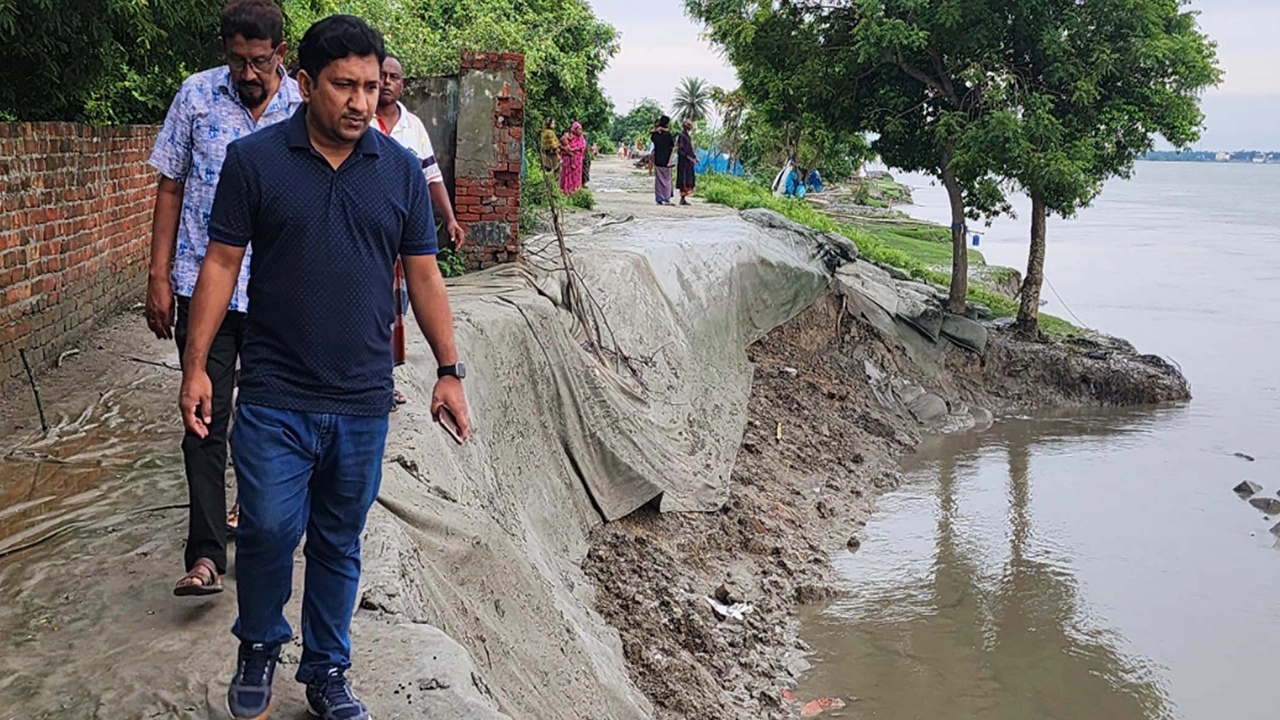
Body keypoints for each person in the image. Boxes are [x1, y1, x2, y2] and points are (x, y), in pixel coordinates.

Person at [180, 15, 470, 720]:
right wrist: (197, 368)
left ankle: (327, 670)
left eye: (372, 86)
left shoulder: (398, 171)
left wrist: (449, 370)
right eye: (345, 85)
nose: (362, 101)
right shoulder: (255, 162)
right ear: (306, 83)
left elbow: (425, 279)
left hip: (364, 398)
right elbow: (220, 264)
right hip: (275, 392)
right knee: (272, 530)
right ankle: (258, 644)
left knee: (340, 542)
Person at [146, 0, 301, 599]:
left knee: (272, 422)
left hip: (279, 293)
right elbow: (170, 185)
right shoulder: (196, 97)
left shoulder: (301, 108)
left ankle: (264, 532)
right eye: (237, 61)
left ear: (279, 55)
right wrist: (158, 277)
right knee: (203, 417)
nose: (248, 73)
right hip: (202, 287)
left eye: (259, 61)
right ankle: (206, 555)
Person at [374, 53, 466, 406]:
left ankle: (384, 377)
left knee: (397, 309)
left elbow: (432, 177)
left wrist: (451, 218)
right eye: (381, 75)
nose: (386, 82)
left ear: (402, 84)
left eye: (394, 77)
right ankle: (374, 379)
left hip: (403, 234)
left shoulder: (413, 127)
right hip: (368, 231)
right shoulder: (358, 121)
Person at [650, 115, 675, 205]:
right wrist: (670, 160)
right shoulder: (668, 135)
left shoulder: (655, 135)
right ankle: (667, 197)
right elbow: (672, 147)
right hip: (667, 160)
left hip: (658, 160)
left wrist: (657, 129)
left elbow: (652, 135)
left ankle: (659, 198)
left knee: (659, 180)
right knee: (667, 180)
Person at [559, 121, 586, 195]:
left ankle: (576, 191)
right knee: (568, 176)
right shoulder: (568, 137)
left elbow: (582, 147)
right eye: (578, 129)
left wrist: (575, 149)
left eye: (581, 129)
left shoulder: (581, 139)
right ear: (574, 129)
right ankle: (566, 191)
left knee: (576, 176)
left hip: (578, 161)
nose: (580, 131)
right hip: (567, 160)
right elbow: (562, 146)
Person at [677, 119, 697, 206]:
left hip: (688, 163)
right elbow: (681, 150)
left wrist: (694, 157)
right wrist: (688, 157)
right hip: (684, 163)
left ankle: (683, 198)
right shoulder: (682, 136)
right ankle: (682, 198)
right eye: (689, 125)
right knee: (684, 180)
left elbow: (690, 149)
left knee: (688, 180)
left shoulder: (687, 136)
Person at [540, 117, 560, 181]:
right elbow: (553, 146)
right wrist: (558, 154)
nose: (554, 125)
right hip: (552, 155)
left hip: (546, 154)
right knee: (555, 169)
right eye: (553, 123)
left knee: (547, 169)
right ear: (549, 124)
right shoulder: (550, 133)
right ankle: (554, 184)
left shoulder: (544, 132)